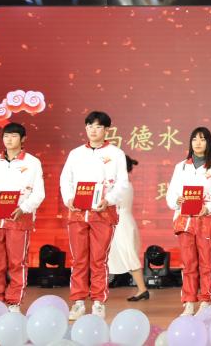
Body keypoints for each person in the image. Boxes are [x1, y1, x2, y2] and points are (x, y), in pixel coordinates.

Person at [60, 111, 128, 320]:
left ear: (106, 130)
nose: (93, 130)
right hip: (78, 214)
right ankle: (78, 302)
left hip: (103, 213)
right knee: (79, 260)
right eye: (90, 126)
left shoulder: (116, 154)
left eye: (98, 126)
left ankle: (98, 302)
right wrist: (69, 198)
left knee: (99, 260)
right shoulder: (76, 154)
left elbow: (122, 184)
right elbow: (65, 180)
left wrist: (109, 200)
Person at [0, 122, 45, 313]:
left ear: (23, 139)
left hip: (19, 220)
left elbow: (39, 193)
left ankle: (14, 302)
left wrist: (24, 208)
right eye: (6, 136)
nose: (9, 139)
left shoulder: (32, 163)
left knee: (17, 263)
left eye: (14, 136)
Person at [166, 127, 211, 316]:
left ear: (208, 143)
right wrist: (176, 200)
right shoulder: (181, 167)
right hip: (185, 222)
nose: (198, 143)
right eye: (194, 139)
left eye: (202, 139)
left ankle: (205, 301)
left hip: (206, 221)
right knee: (188, 263)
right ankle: (188, 302)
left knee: (206, 263)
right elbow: (171, 193)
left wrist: (209, 207)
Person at [108, 155, 149, 301]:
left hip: (121, 223)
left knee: (129, 255)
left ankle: (142, 289)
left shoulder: (122, 185)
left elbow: (112, 202)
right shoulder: (121, 183)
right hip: (121, 221)